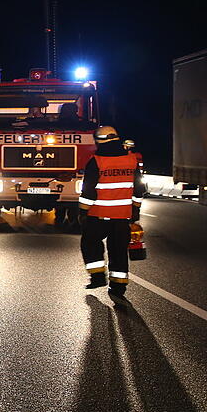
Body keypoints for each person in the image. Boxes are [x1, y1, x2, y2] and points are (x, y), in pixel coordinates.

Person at [78, 126, 146, 297]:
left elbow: (88, 191)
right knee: (118, 251)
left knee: (90, 244)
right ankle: (118, 287)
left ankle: (98, 276)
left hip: (98, 215)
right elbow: (139, 189)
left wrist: (83, 212)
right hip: (123, 216)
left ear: (99, 142)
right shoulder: (131, 161)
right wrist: (135, 210)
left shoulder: (96, 161)